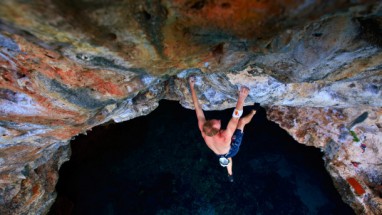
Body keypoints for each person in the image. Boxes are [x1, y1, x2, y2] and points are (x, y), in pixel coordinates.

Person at [188, 76, 257, 182]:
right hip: (231, 149)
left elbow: (197, 106)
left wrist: (191, 86)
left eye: (215, 120)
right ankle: (254, 112)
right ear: (220, 131)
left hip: (219, 152)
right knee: (241, 122)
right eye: (219, 124)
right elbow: (235, 117)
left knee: (226, 156)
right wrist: (241, 98)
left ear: (208, 123)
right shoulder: (225, 137)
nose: (219, 120)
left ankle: (230, 174)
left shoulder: (203, 128)